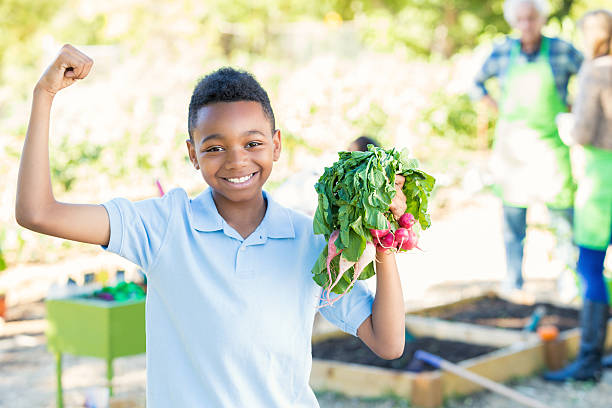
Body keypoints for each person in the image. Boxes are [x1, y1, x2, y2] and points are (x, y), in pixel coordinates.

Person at [15, 45, 407, 407]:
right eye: (216, 147)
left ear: (277, 145)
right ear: (192, 153)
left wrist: (385, 242)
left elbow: (387, 341)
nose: (237, 161)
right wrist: (44, 95)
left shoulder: (309, 240)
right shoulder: (163, 227)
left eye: (253, 143)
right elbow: (39, 212)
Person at [472, 0, 584, 292]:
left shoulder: (562, 50)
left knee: (563, 221)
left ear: (542, 19)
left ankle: (569, 283)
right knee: (513, 225)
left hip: (551, 148)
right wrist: (495, 105)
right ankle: (513, 283)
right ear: (513, 21)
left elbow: (592, 78)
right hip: (512, 151)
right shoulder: (501, 51)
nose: (527, 24)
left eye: (532, 18)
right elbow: (476, 84)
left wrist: (575, 107)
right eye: (520, 19)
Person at [544, 9, 612, 382]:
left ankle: (588, 360)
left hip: (602, 180)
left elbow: (583, 131)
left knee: (589, 267)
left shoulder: (596, 70)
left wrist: (564, 125)